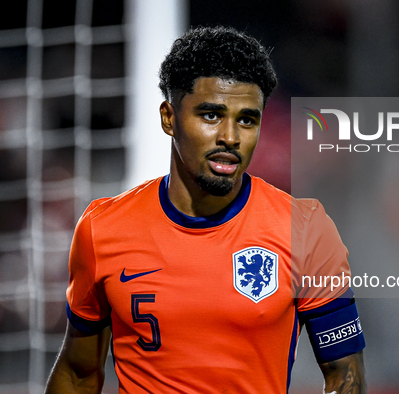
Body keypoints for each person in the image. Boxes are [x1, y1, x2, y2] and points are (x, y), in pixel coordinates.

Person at [45, 26, 366, 394]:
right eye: (211, 115)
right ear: (169, 118)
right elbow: (78, 372)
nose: (230, 137)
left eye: (247, 119)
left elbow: (346, 376)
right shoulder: (103, 229)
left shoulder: (305, 228)